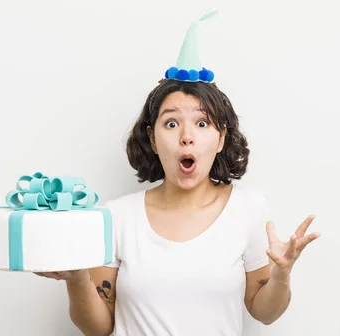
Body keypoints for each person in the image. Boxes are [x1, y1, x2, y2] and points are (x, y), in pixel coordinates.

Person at [35, 8, 320, 335]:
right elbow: (97, 327)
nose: (187, 135)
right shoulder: (116, 217)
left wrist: (281, 275)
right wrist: (76, 278)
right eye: (171, 123)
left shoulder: (249, 209)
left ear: (221, 138)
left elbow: (265, 313)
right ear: (153, 139)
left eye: (201, 123)